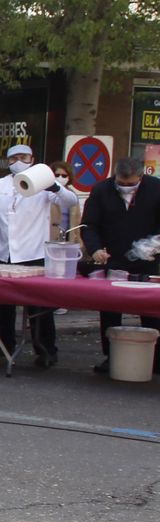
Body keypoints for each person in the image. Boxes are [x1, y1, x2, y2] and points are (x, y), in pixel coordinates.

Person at [0, 142, 76, 365]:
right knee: (5, 304)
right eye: (13, 158)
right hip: (5, 252)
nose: (18, 162)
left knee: (39, 306)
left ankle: (46, 349)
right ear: (8, 161)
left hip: (33, 252)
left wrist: (56, 188)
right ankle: (5, 344)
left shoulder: (41, 180)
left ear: (32, 159)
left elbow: (71, 203)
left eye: (23, 157)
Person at [82, 157, 160, 373]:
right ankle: (111, 356)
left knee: (151, 309)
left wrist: (154, 244)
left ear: (141, 177)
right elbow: (89, 224)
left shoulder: (156, 189)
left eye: (131, 184)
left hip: (148, 258)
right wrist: (95, 248)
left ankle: (155, 357)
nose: (125, 187)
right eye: (121, 183)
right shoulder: (101, 190)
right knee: (110, 309)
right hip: (111, 257)